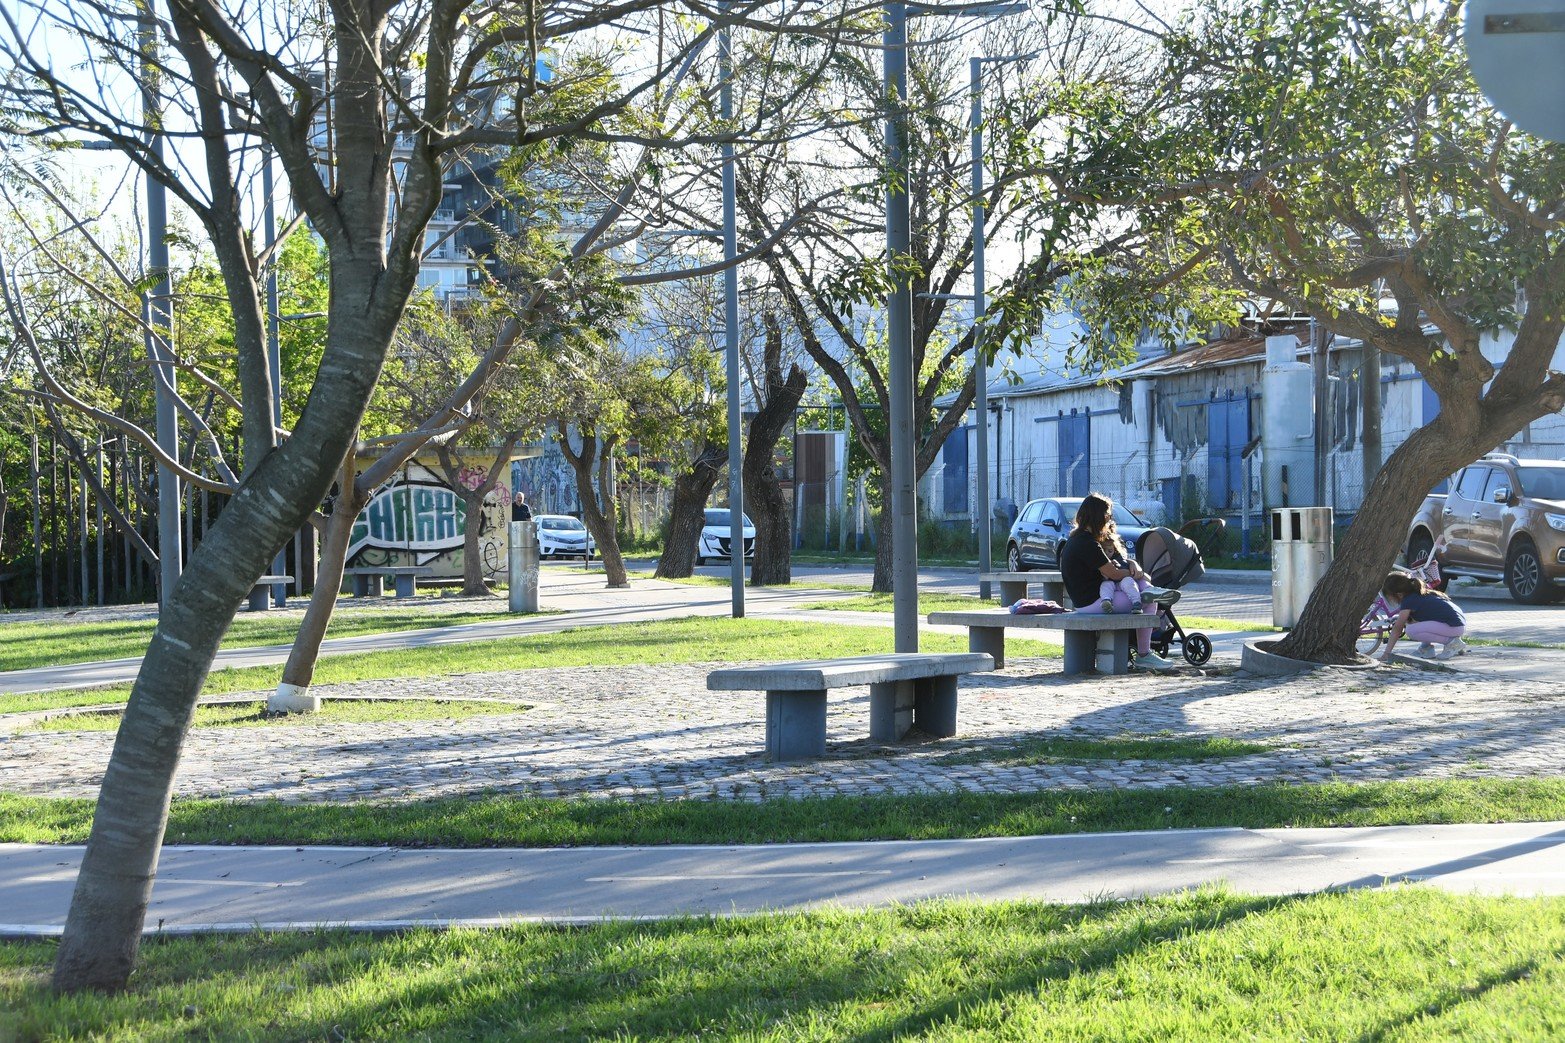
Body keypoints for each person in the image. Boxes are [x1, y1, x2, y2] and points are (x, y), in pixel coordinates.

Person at [1059, 493, 1181, 670]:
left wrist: (1132, 564)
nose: (1109, 519)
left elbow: (1118, 560)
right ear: (1098, 516)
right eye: (1107, 515)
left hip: (1096, 597)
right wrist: (1137, 573)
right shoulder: (1086, 543)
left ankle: (1150, 591)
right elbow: (1114, 573)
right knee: (1147, 602)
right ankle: (1144, 655)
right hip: (1093, 602)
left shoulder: (1084, 538)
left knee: (1142, 594)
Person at [1376, 571, 1468, 662]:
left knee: (1411, 630)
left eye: (1390, 596)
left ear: (1399, 594)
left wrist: (1386, 654)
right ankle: (1426, 649)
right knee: (1413, 624)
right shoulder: (1419, 593)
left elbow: (1397, 628)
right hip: (1457, 626)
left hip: (1454, 627)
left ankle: (1452, 643)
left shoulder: (1408, 600)